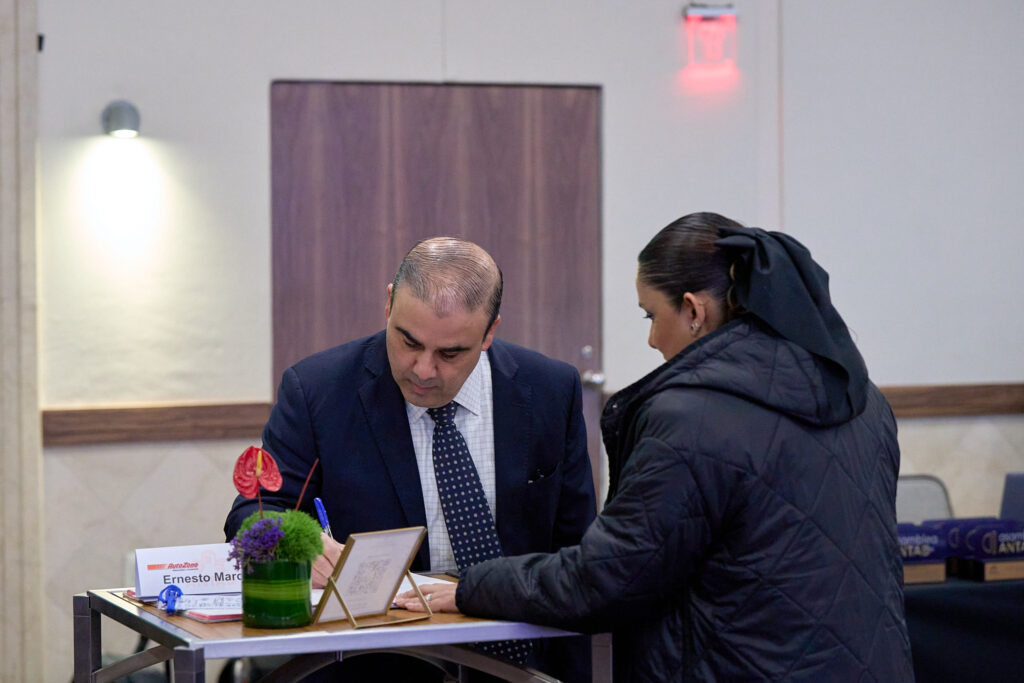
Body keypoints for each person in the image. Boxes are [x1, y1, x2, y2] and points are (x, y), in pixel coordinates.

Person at [397, 213, 914, 682]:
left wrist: (472, 587)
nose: (651, 341)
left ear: (693, 310)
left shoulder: (693, 418)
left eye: (650, 316)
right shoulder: (863, 400)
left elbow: (609, 578)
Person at [225, 236, 595, 681]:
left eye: (450, 353)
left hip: (524, 658)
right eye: (408, 342)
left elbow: (579, 549)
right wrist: (300, 543)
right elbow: (251, 515)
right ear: (388, 304)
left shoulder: (549, 389)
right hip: (376, 664)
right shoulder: (318, 390)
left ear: (489, 332)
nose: (422, 369)